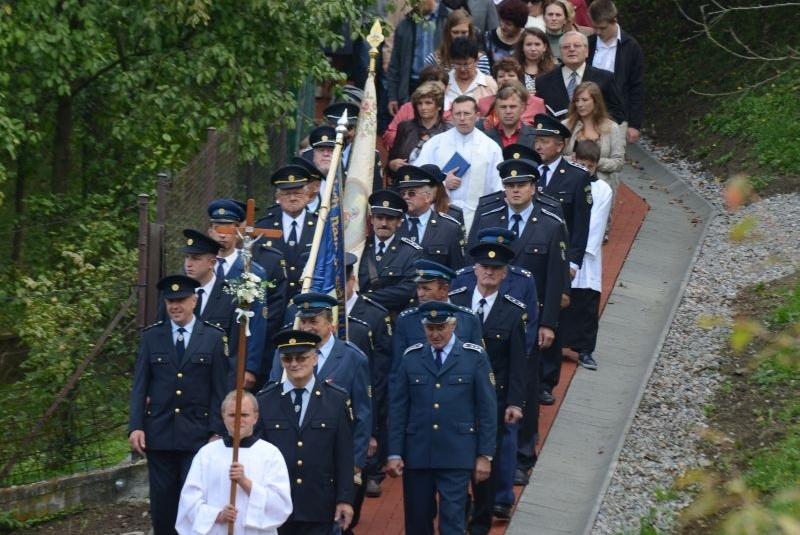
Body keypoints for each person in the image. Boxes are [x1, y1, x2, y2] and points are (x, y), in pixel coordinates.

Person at [386, 301, 497, 535]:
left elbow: (487, 409)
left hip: (457, 453)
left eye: (441, 328)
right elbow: (398, 409)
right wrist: (394, 452)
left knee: (453, 522)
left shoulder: (473, 357)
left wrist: (485, 454)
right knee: (417, 521)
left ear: (453, 325)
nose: (435, 334)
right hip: (418, 453)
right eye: (430, 328)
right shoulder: (411, 357)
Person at [129, 274, 228, 535]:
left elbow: (220, 390)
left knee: (194, 501)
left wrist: (217, 431)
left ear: (194, 300)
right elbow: (140, 385)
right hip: (159, 434)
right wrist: (136, 426)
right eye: (170, 301)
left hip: (197, 435)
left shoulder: (213, 337)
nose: (175, 306)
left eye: (181, 300)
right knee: (162, 503)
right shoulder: (152, 337)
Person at [449, 242, 527, 529]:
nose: (489, 273)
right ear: (475, 270)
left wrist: (516, 402)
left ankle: (479, 524)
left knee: (486, 466)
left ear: (505, 274)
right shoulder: (455, 303)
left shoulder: (513, 312)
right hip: (455, 396)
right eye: (484, 267)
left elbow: (519, 362)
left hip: (493, 398)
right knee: (453, 462)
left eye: (496, 269)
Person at [257, 330, 355, 535]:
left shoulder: (336, 400)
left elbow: (344, 456)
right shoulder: (266, 401)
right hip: (277, 504)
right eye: (287, 358)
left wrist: (345, 499)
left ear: (314, 358)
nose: (294, 364)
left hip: (319, 503)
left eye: (301, 358)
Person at [175, 391, 292, 535]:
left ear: (255, 417)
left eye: (244, 415)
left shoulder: (270, 454)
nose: (238, 420)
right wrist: (216, 515)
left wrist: (245, 482)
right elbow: (189, 500)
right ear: (223, 417)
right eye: (232, 415)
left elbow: (280, 505)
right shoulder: (207, 454)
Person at [207, 199, 288, 391]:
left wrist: (250, 366)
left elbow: (258, 322)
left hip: (235, 356)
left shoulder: (251, 271)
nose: (222, 235)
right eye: (218, 228)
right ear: (209, 231)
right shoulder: (199, 267)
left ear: (238, 233)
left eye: (228, 229)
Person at [178, 229, 267, 392]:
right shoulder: (175, 295)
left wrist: (245, 370)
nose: (188, 264)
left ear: (212, 263)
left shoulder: (231, 297)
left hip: (215, 380)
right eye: (187, 257)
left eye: (195, 259)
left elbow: (235, 346)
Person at [343, 253, 394, 499]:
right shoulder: (314, 313)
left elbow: (381, 372)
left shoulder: (374, 315)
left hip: (363, 397)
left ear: (352, 279)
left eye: (342, 281)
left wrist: (374, 428)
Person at [415, 95, 503, 232]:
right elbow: (419, 180)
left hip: (478, 218)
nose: (462, 118)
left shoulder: (491, 148)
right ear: (451, 116)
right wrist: (443, 183)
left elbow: (498, 188)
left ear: (477, 116)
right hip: (438, 216)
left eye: (467, 113)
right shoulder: (435, 144)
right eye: (458, 114)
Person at [561, 140, 613, 370]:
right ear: (573, 159)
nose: (585, 170)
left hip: (587, 256)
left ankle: (584, 350)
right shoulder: (565, 183)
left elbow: (596, 224)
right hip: (563, 249)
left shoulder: (602, 190)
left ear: (596, 166)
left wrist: (579, 253)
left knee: (586, 302)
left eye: (590, 167)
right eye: (581, 165)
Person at [392, 258, 484, 375]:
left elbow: (479, 365)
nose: (420, 294)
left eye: (426, 288)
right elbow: (397, 370)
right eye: (418, 288)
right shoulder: (406, 320)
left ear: (444, 290)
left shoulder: (469, 319)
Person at [563, 81, 625, 239]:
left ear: (596, 102)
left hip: (600, 185)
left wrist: (595, 163)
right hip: (571, 185)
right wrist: (573, 160)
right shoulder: (567, 125)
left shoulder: (611, 128)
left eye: (584, 100)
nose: (580, 104)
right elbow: (557, 157)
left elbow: (618, 162)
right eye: (577, 100)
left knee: (595, 236)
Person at [255, 165, 318, 299]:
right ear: (277, 196)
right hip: (272, 302)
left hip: (308, 303)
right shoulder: (263, 227)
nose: (292, 198)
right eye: (287, 193)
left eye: (298, 193)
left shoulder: (320, 226)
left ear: (307, 195)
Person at [534, 30, 626, 123]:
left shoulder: (605, 78)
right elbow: (539, 115)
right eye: (566, 47)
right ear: (560, 52)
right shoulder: (543, 82)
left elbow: (617, 113)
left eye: (577, 46)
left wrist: (593, 124)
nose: (571, 49)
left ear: (586, 51)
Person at [358, 189, 424, 315]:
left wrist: (363, 299)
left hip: (392, 320)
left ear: (399, 222)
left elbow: (408, 290)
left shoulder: (411, 252)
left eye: (390, 219)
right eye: (379, 217)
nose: (384, 223)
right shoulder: (359, 248)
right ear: (371, 220)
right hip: (360, 318)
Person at [587, 0, 645, 144]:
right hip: (588, 113)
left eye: (603, 28)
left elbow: (636, 86)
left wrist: (634, 124)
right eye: (595, 28)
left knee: (612, 162)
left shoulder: (631, 47)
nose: (598, 32)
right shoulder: (588, 44)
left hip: (617, 115)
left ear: (614, 21)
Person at [394, 163, 466, 270]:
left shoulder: (450, 228)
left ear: (428, 197)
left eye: (411, 193)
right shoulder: (392, 224)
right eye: (402, 193)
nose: (406, 197)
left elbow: (457, 270)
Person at [387, 0, 450, 117]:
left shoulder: (449, 20)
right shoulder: (404, 25)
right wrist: (393, 97)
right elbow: (394, 65)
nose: (414, 3)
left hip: (442, 84)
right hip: (411, 86)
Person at [386, 81, 450, 181]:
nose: (423, 107)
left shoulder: (448, 131)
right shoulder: (405, 127)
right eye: (420, 103)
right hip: (406, 184)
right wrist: (392, 165)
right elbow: (390, 166)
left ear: (439, 106)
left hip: (439, 186)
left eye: (428, 103)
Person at [383, 65, 449, 151]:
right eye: (427, 87)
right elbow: (389, 135)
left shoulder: (455, 110)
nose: (431, 91)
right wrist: (411, 140)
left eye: (437, 88)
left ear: (446, 88)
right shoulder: (407, 108)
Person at [477, 57, 546, 124]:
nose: (506, 79)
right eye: (501, 76)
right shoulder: (483, 103)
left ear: (519, 79)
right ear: (495, 80)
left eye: (511, 75)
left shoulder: (537, 103)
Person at [425, 8, 492, 75]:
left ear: (470, 33)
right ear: (448, 33)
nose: (459, 36)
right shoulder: (434, 59)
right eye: (455, 32)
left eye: (464, 32)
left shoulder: (480, 60)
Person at [443, 37, 498, 112]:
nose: (462, 69)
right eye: (458, 64)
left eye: (466, 64)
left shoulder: (489, 84)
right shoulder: (443, 83)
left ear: (477, 61)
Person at [478, 81, 538, 148]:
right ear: (496, 109)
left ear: (522, 108)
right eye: (503, 107)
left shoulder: (535, 136)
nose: (508, 111)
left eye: (513, 107)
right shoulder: (484, 139)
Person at [482, 0, 529, 69]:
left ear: (519, 25)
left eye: (508, 24)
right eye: (501, 21)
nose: (503, 26)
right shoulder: (488, 37)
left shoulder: (528, 37)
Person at [513, 27, 557, 95]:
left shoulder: (554, 70)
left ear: (544, 47)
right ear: (522, 47)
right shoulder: (513, 69)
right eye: (528, 44)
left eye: (537, 44)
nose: (533, 49)